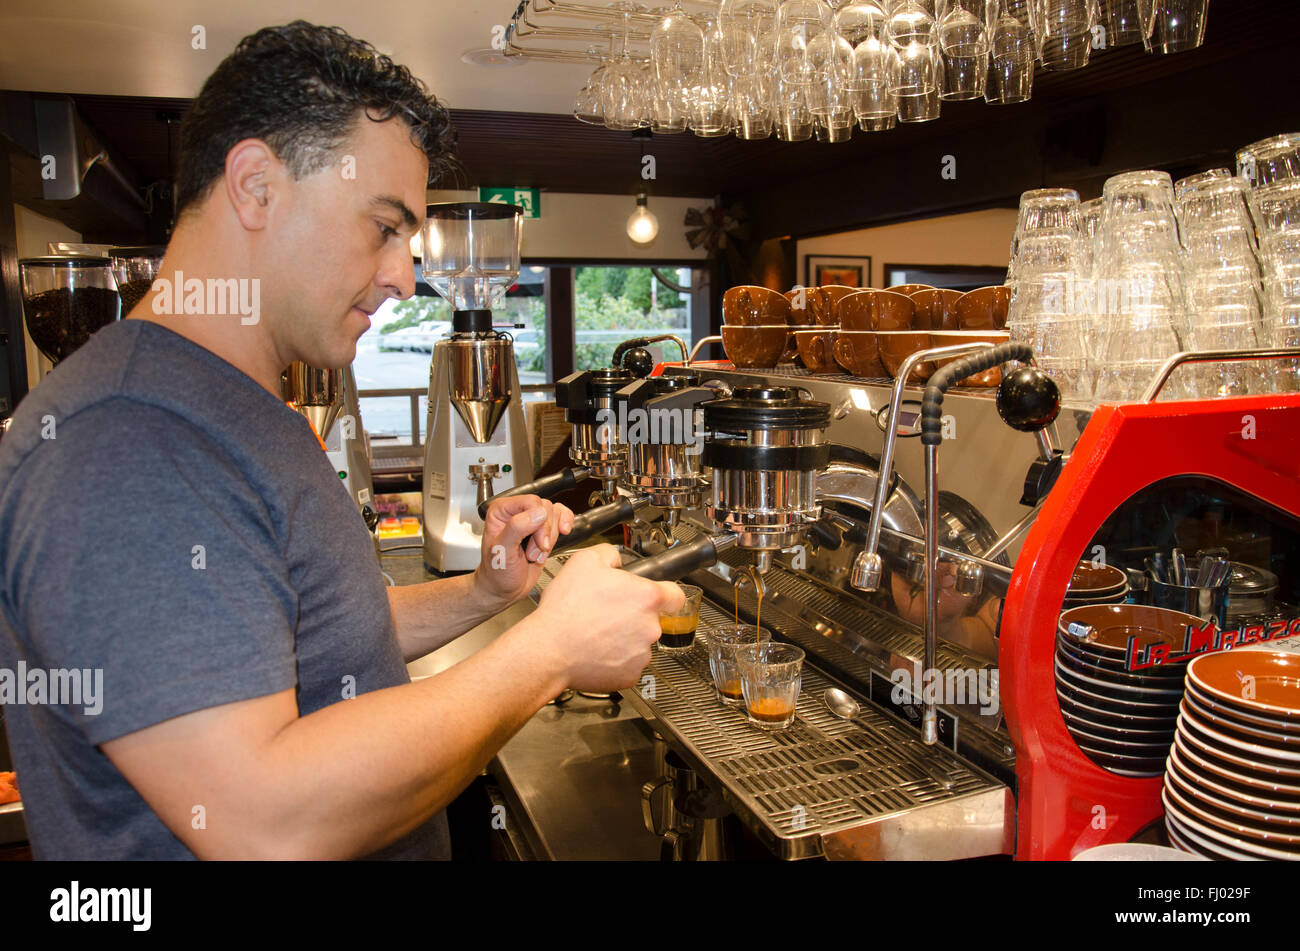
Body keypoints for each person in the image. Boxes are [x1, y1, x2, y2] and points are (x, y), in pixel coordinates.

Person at [0, 21, 683, 860]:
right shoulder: (127, 439)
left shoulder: (243, 406)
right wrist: (550, 653)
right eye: (384, 227)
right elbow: (262, 821)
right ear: (256, 187)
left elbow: (308, 630)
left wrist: (485, 593)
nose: (404, 274)